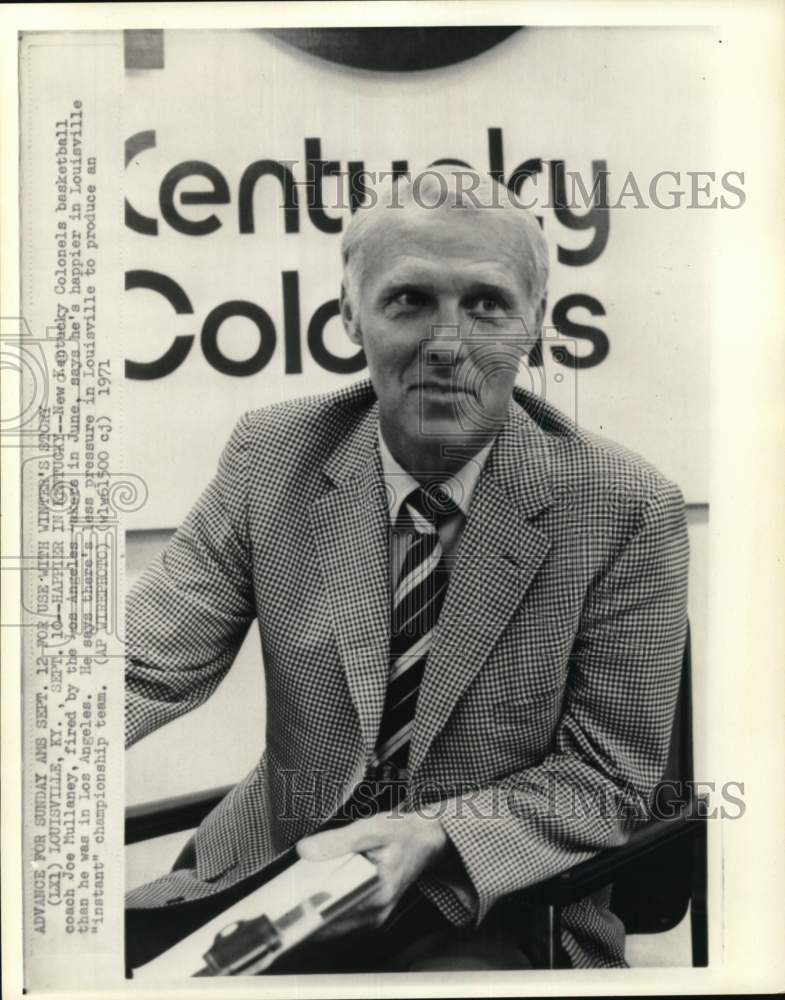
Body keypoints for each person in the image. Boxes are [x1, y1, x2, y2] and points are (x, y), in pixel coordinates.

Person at [125, 170, 690, 972]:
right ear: (349, 314)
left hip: (489, 903)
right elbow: (141, 665)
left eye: (487, 303)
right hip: (266, 873)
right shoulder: (272, 454)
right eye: (409, 300)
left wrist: (431, 835)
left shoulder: (626, 507)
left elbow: (606, 776)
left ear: (537, 319)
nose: (448, 343)